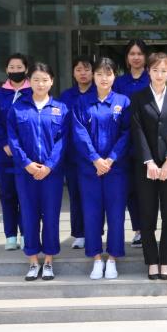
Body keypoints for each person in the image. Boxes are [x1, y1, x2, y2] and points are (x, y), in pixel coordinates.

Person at [6, 62, 68, 282]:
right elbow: (13, 139)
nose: (40, 84)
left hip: (52, 173)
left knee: (51, 216)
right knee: (29, 215)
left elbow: (63, 141)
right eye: (36, 80)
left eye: (44, 80)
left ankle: (49, 261)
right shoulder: (18, 108)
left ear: (52, 82)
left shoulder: (60, 108)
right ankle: (33, 261)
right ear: (29, 82)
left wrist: (49, 165)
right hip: (26, 173)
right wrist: (27, 164)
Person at [72, 58, 131, 280]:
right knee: (91, 214)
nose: (104, 78)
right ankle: (96, 258)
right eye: (99, 74)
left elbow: (127, 133)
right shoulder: (81, 102)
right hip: (90, 170)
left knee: (116, 215)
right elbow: (79, 133)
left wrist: (112, 158)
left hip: (116, 170)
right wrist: (96, 159)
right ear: (93, 77)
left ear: (115, 76)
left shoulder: (123, 101)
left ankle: (113, 258)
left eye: (108, 74)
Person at [131, 52, 167, 280]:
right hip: (146, 166)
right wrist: (149, 161)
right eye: (155, 70)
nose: (159, 74)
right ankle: (152, 260)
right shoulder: (138, 98)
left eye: (163, 70)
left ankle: (166, 260)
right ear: (148, 72)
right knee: (147, 214)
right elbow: (137, 131)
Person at [0, 53, 31, 250]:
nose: (15, 71)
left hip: (27, 154)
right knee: (8, 194)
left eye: (19, 67)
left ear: (26, 69)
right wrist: (5, 143)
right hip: (4, 153)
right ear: (6, 70)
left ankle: (27, 234)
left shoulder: (33, 91)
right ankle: (11, 236)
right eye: (12, 68)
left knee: (26, 195)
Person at [112, 38, 149, 248]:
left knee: (147, 189)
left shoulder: (151, 78)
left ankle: (148, 228)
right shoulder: (119, 83)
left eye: (140, 54)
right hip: (124, 142)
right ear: (127, 58)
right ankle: (138, 230)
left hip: (148, 142)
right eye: (132, 54)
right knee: (131, 190)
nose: (136, 57)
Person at [58, 55, 96, 250]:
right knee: (76, 195)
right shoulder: (66, 96)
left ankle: (95, 232)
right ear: (73, 73)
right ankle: (79, 233)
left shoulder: (99, 93)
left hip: (95, 155)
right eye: (79, 70)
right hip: (72, 155)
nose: (83, 73)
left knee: (94, 197)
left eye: (87, 69)